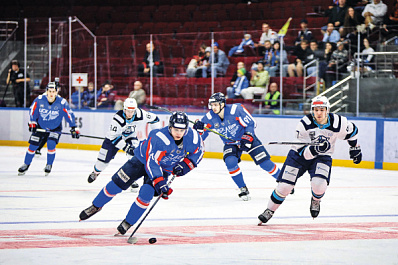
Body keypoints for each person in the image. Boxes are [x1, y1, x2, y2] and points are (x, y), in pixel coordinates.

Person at [79, 111, 204, 236]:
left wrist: (185, 166)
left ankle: (128, 222)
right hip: (141, 160)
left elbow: (199, 152)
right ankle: (96, 206)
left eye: (182, 130)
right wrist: (160, 183)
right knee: (116, 184)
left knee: (147, 193)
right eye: (176, 129)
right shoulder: (159, 137)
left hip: (165, 168)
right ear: (170, 126)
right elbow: (152, 163)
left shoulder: (193, 137)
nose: (179, 133)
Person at [258, 96, 362, 224]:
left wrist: (355, 147)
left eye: (322, 109)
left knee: (319, 185)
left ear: (328, 110)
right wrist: (316, 149)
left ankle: (316, 199)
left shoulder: (339, 122)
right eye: (316, 110)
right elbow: (305, 154)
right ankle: (269, 210)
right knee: (285, 187)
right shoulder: (304, 124)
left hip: (323, 156)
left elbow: (353, 131)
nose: (319, 113)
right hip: (298, 156)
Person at [192, 92, 281, 201]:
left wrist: (247, 136)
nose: (213, 107)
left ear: (222, 104)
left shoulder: (236, 109)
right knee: (230, 162)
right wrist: (198, 131)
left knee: (265, 164)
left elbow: (251, 123)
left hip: (247, 139)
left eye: (216, 105)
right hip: (230, 143)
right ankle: (242, 188)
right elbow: (200, 137)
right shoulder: (209, 117)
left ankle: (283, 182)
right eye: (212, 105)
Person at [87, 98, 160, 185]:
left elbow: (155, 119)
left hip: (130, 136)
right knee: (102, 162)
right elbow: (113, 137)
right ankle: (95, 172)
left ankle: (131, 178)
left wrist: (156, 135)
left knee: (134, 156)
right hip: (113, 139)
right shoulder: (117, 119)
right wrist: (126, 147)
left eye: (132, 111)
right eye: (128, 111)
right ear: (124, 109)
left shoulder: (141, 114)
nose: (130, 113)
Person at [17, 82, 80, 176]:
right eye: (49, 91)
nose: (51, 93)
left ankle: (49, 165)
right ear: (46, 91)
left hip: (55, 127)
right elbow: (32, 111)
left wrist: (74, 127)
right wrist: (32, 122)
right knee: (33, 146)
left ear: (56, 92)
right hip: (40, 126)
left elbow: (69, 115)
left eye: (53, 91)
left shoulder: (62, 102)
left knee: (51, 144)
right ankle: (26, 164)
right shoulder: (39, 99)